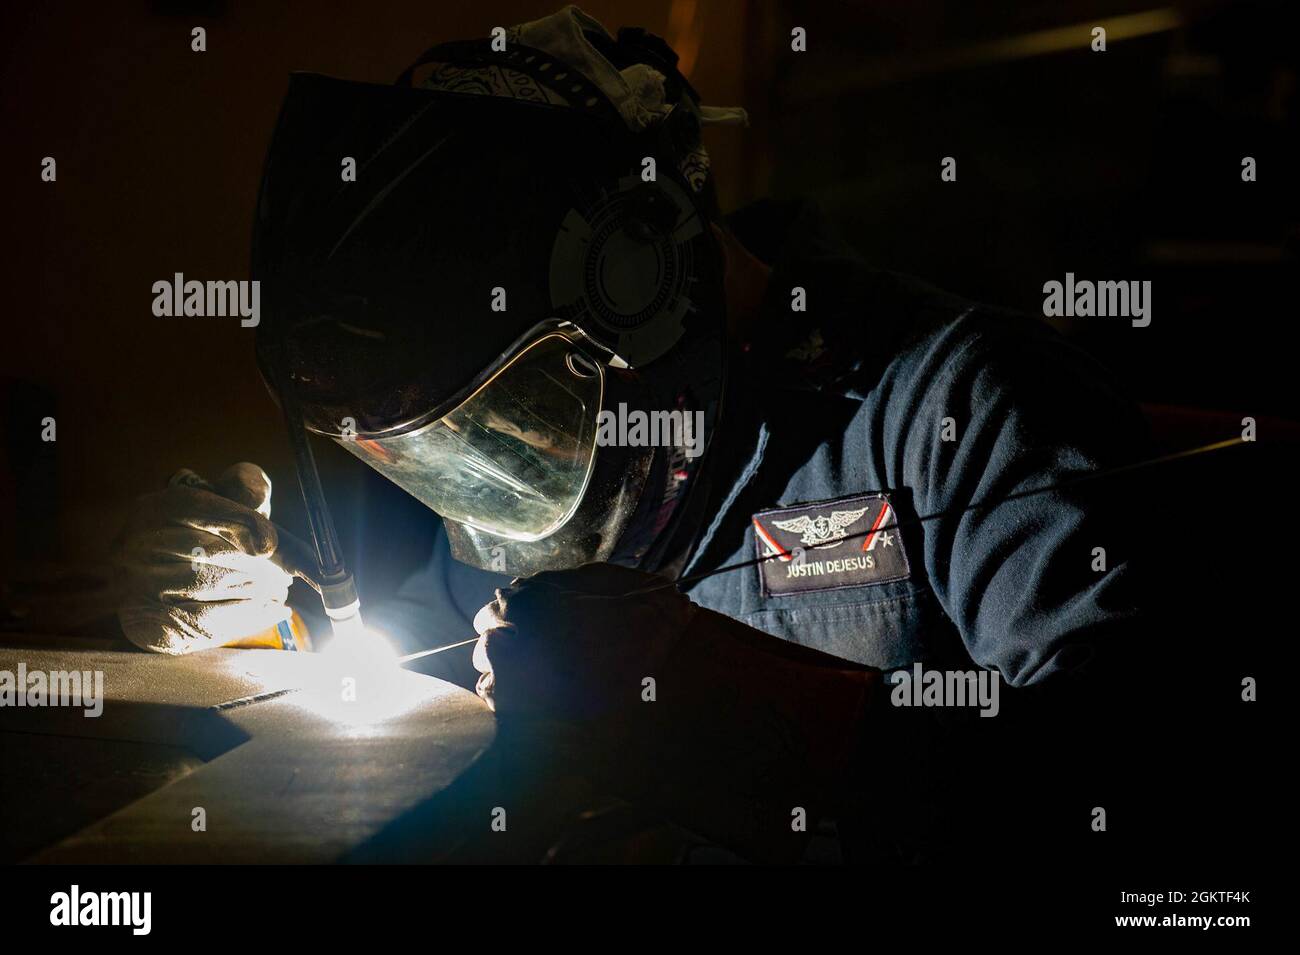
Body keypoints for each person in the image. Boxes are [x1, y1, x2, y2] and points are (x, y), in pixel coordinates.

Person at [114, 6, 1151, 863]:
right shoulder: (525, 443)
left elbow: (1146, 799)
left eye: (513, 411)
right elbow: (414, 666)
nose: (503, 459)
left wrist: (731, 698)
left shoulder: (965, 406)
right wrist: (254, 617)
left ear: (637, 279)